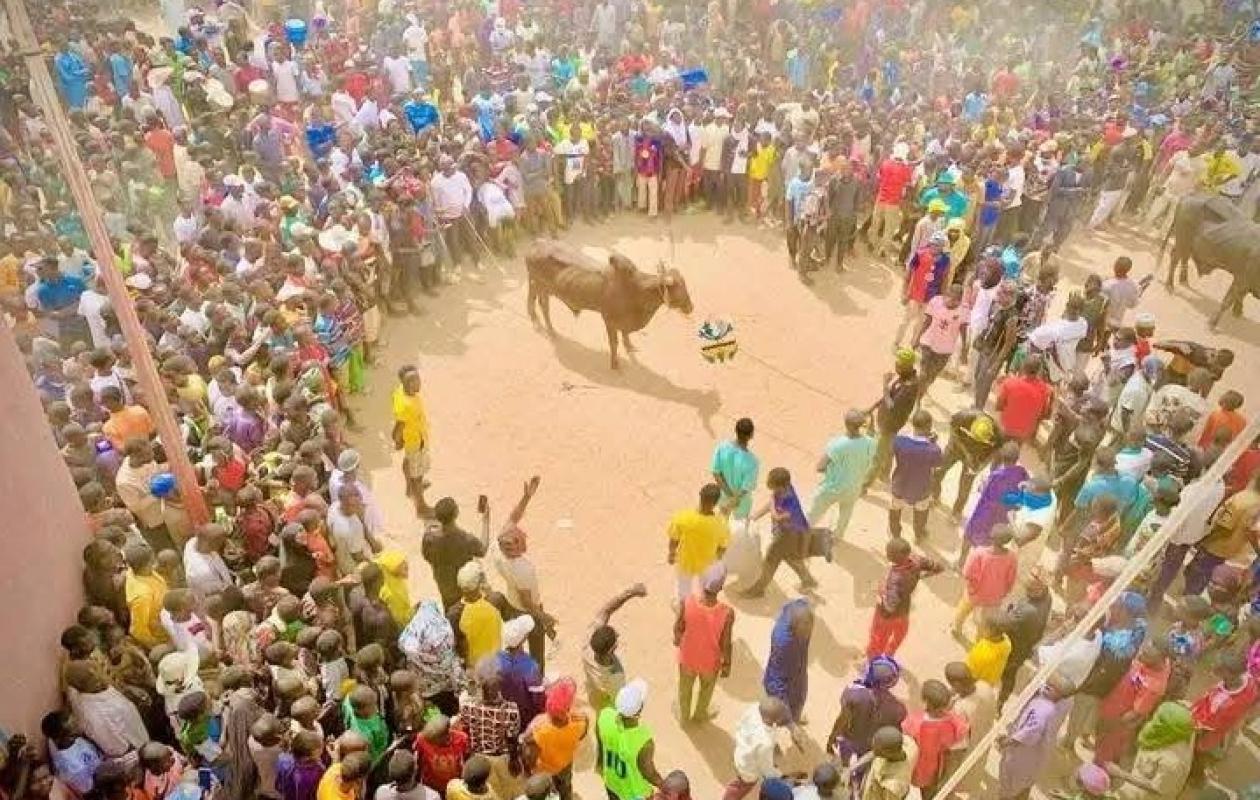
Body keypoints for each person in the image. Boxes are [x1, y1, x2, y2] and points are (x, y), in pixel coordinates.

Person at [997, 673, 1075, 800]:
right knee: (1024, 784)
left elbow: (1029, 734)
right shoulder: (1051, 703)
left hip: (1023, 755)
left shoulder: (1043, 710)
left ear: (1060, 695)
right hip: (1035, 756)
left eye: (1050, 688)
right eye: (1047, 684)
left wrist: (1007, 741)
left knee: (1010, 784)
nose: (1045, 687)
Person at [674, 563, 734, 725]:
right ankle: (700, 714)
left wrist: (677, 639)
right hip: (710, 663)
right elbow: (726, 643)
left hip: (687, 658)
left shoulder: (687, 601)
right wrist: (727, 664)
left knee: (684, 690)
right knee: (706, 691)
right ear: (721, 586)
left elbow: (678, 626)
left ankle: (684, 716)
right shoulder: (727, 613)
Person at [742, 468, 815, 597]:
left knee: (769, 562)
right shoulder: (785, 488)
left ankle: (758, 590)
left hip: (785, 536)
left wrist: (771, 503)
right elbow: (772, 502)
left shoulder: (790, 503)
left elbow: (778, 517)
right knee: (791, 558)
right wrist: (755, 516)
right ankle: (808, 580)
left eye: (772, 484)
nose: (769, 485)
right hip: (794, 533)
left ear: (782, 486)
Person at [867, 538, 943, 659]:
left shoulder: (895, 578)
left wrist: (880, 592)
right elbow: (938, 568)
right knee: (898, 635)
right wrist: (920, 576)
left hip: (886, 617)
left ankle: (873, 661)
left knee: (878, 638)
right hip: (904, 611)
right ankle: (889, 655)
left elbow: (890, 606)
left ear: (890, 557)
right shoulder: (916, 559)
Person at [808, 409, 876, 540]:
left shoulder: (837, 444)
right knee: (846, 513)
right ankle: (838, 536)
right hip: (854, 486)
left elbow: (820, 467)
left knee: (814, 512)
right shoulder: (869, 442)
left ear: (847, 424)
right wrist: (870, 420)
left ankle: (802, 532)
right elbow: (872, 434)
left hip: (833, 486)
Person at [1106, 702, 1195, 800]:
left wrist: (1121, 774)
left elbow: (1158, 787)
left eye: (1160, 719)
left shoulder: (1174, 761)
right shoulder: (1160, 736)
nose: (1154, 721)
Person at [584, 584, 647, 710]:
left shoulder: (587, 646)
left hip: (593, 692)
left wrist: (631, 592)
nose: (618, 635)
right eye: (615, 640)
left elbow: (606, 610)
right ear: (610, 651)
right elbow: (619, 702)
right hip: (609, 704)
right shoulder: (615, 678)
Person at [521, 678, 587, 800]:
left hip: (544, 771)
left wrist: (528, 771)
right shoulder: (581, 721)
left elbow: (530, 756)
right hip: (565, 764)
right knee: (565, 788)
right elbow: (581, 735)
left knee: (546, 794)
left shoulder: (539, 728)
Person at [596, 679, 662, 800]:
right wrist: (664, 785)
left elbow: (601, 748)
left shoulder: (605, 715)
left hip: (612, 782)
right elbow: (649, 773)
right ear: (640, 708)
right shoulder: (644, 740)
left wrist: (600, 766)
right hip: (635, 794)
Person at [901, 680, 967, 798]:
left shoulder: (916, 723)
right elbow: (961, 731)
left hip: (919, 765)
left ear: (926, 702)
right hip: (937, 767)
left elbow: (905, 732)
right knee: (929, 793)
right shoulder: (951, 722)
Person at [422, 496, 489, 610]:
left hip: (445, 588)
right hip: (466, 590)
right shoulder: (465, 539)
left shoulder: (429, 538)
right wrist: (486, 520)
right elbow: (482, 549)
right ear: (456, 513)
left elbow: (426, 556)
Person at [724, 697, 797, 800]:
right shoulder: (765, 743)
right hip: (748, 770)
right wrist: (780, 776)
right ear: (773, 721)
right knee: (740, 786)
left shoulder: (755, 709)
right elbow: (766, 769)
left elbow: (741, 724)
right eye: (780, 717)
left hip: (742, 751)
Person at [667, 484, 730, 601]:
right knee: (700, 590)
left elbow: (674, 540)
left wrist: (671, 554)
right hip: (706, 565)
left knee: (682, 591)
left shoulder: (683, 517)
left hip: (684, 562)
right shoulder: (721, 524)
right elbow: (722, 548)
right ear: (716, 503)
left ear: (700, 496)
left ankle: (683, 611)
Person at [866, 350, 921, 486]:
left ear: (908, 366)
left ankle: (864, 485)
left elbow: (892, 405)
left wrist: (884, 384)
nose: (896, 366)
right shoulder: (903, 376)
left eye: (899, 365)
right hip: (886, 420)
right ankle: (884, 475)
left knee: (877, 456)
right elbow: (891, 394)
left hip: (891, 424)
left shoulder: (910, 386)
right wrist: (873, 407)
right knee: (888, 448)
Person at [888, 410, 941, 541]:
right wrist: (932, 443)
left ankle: (895, 534)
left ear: (913, 424)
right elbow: (937, 464)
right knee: (921, 513)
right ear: (929, 426)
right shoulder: (933, 449)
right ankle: (919, 534)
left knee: (895, 510)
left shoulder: (899, 441)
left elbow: (893, 451)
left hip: (899, 484)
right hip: (921, 488)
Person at [955, 527, 1018, 636]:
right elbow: (1011, 579)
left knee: (963, 611)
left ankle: (956, 628)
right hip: (994, 597)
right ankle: (979, 640)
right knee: (986, 622)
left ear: (991, 537)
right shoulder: (1012, 557)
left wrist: (971, 587)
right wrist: (1005, 592)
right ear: (1007, 541)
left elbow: (967, 573)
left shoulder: (979, 553)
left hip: (975, 592)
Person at [763, 598, 813, 722]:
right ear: (794, 625)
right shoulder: (783, 644)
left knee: (800, 696)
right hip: (785, 678)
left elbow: (797, 603)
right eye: (804, 629)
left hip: (798, 670)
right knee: (781, 709)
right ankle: (792, 723)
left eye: (810, 625)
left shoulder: (798, 609)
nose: (808, 632)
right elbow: (776, 681)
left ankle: (795, 717)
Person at [392, 365, 432, 517]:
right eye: (413, 381)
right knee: (417, 474)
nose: (418, 383)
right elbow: (398, 426)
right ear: (405, 384)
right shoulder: (407, 405)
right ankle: (421, 507)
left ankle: (410, 487)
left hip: (414, 437)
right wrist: (397, 440)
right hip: (415, 441)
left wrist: (399, 440)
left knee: (409, 463)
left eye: (418, 379)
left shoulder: (399, 393)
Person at [711, 418, 759, 520]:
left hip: (724, 496)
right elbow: (746, 487)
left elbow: (716, 473)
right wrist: (735, 499)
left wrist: (729, 495)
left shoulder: (722, 447)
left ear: (735, 430)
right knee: (740, 528)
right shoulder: (752, 461)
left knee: (722, 523)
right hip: (741, 503)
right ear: (751, 435)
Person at [858, 726, 918, 800]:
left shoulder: (893, 786)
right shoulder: (909, 744)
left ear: (888, 753)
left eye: (877, 751)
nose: (874, 751)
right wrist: (852, 769)